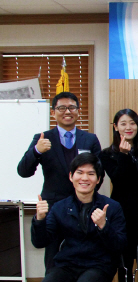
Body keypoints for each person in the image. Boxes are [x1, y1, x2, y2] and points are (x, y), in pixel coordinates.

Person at [31, 153, 126, 282]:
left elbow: (120, 245)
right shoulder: (60, 207)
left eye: (91, 174)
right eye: (80, 173)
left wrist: (104, 226)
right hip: (67, 265)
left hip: (99, 266)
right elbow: (40, 242)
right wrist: (39, 220)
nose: (84, 178)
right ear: (71, 176)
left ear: (98, 179)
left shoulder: (111, 206)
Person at [18, 91, 101, 271]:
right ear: (53, 112)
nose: (67, 111)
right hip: (54, 207)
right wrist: (36, 151)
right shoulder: (42, 138)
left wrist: (86, 196)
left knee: (85, 255)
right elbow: (23, 171)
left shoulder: (90, 139)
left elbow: (98, 173)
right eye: (61, 108)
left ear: (78, 111)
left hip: (84, 206)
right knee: (53, 259)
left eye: (72, 107)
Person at [99, 109, 138, 282]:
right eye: (123, 123)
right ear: (115, 127)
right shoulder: (107, 153)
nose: (129, 127)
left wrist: (130, 156)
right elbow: (119, 179)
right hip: (122, 212)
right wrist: (123, 155)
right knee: (125, 262)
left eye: (133, 123)